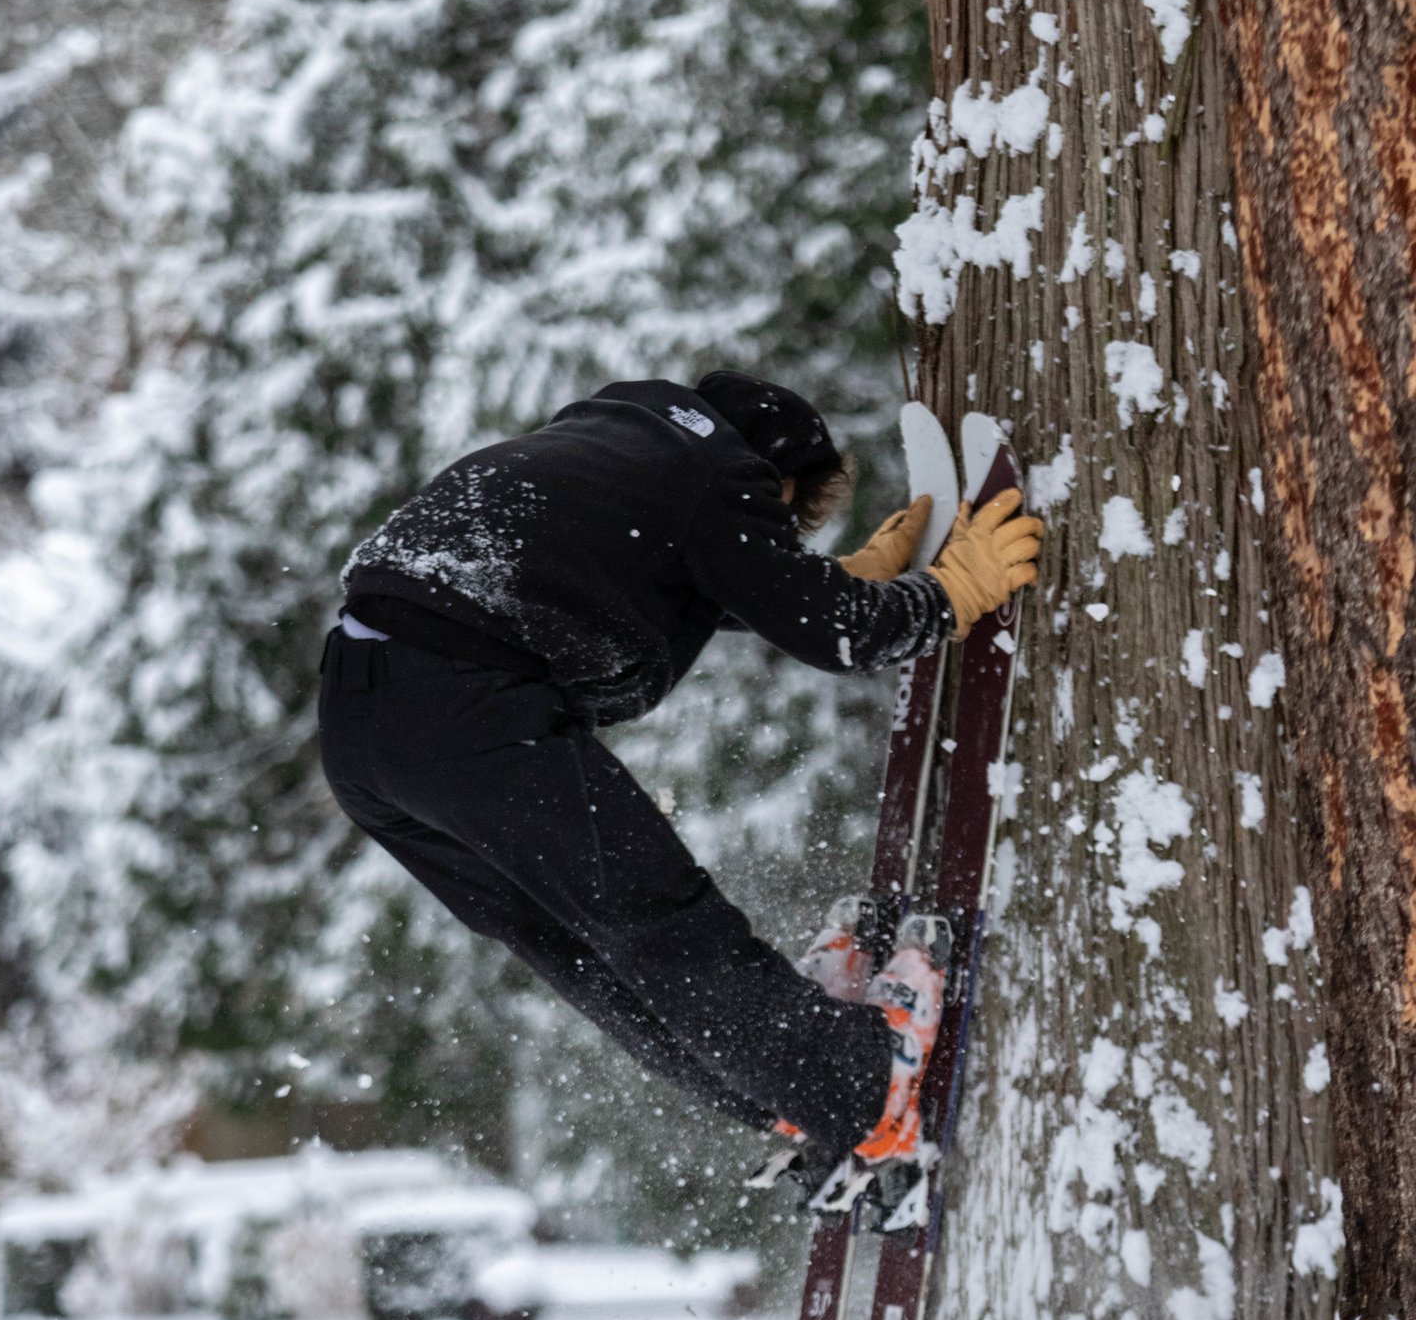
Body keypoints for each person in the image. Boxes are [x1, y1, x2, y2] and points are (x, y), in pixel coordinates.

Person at [318, 370, 1041, 1190]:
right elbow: (836, 636)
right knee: (654, 918)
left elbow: (669, 574)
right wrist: (950, 594)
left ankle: (779, 1089)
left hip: (360, 725)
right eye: (783, 517)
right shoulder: (718, 470)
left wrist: (830, 579)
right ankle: (855, 1082)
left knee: (584, 948)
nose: (776, 530)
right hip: (462, 708)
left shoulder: (618, 443)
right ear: (779, 472)